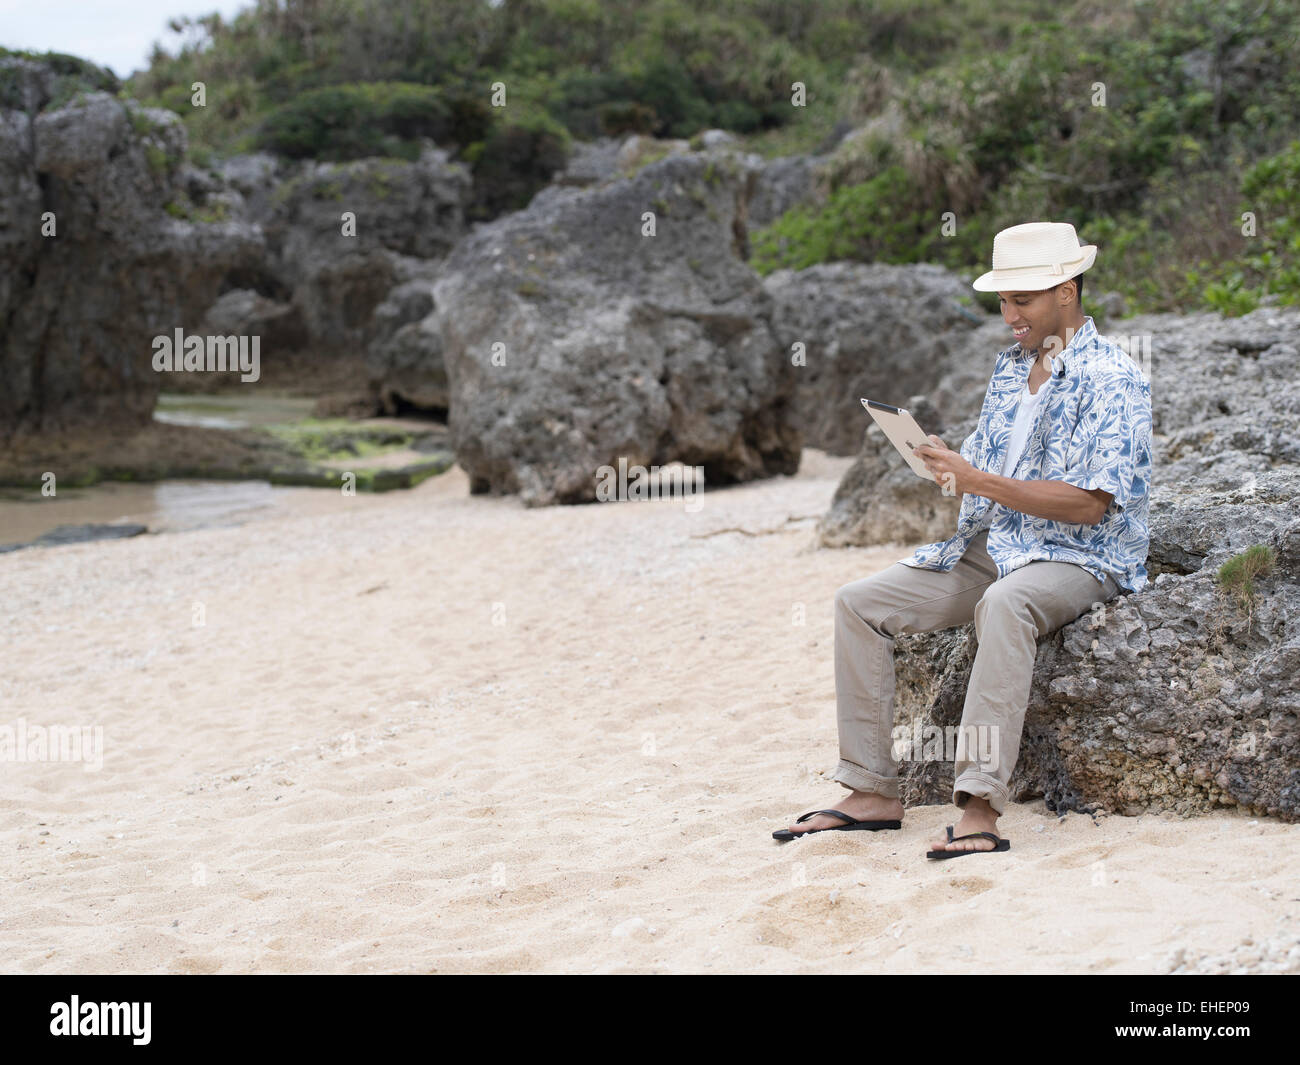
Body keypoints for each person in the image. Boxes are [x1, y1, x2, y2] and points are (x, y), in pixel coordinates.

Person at [774, 221, 1153, 858]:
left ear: (1066, 291)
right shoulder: (1010, 370)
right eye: (1002, 302)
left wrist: (983, 479)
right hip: (997, 545)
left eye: (1022, 301)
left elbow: (1091, 503)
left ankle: (979, 805)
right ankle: (870, 792)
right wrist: (948, 463)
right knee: (858, 602)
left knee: (1005, 605)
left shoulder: (1114, 378)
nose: (1009, 316)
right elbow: (984, 468)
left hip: (1082, 555)